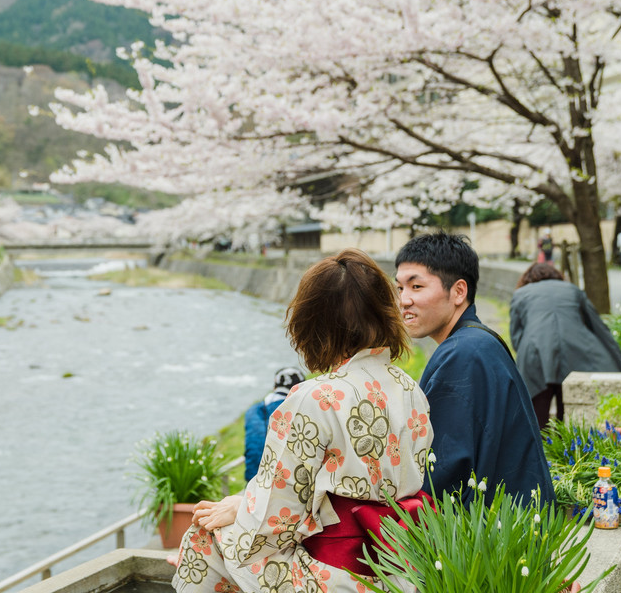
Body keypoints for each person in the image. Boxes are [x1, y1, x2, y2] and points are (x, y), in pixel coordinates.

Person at [173, 249, 433, 593]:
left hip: (338, 577)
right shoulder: (411, 389)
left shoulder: (314, 397)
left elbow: (274, 519)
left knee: (206, 535)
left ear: (314, 323)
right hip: (400, 571)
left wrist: (241, 506)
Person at [395, 232, 553, 506]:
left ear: (458, 292)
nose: (404, 300)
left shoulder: (463, 354)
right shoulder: (476, 341)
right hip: (516, 524)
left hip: (494, 539)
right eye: (400, 288)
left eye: (416, 287)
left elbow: (440, 469)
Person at [510, 263, 621, 428]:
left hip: (535, 356)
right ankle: (568, 450)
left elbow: (516, 337)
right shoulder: (572, 290)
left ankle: (541, 451)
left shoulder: (520, 295)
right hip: (576, 353)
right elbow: (598, 327)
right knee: (570, 417)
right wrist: (618, 362)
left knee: (537, 419)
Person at [243, 367, 305, 482]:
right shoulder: (300, 407)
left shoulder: (253, 410)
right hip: (287, 481)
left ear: (274, 387)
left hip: (254, 478)